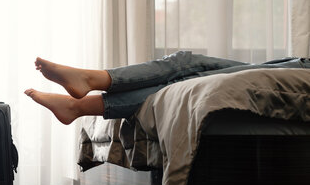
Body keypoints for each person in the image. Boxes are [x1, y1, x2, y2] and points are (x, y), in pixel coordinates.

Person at [24, 51, 310, 124]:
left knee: (185, 77)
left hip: (301, 69)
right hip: (297, 64)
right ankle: (82, 96)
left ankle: (83, 95)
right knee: (185, 63)